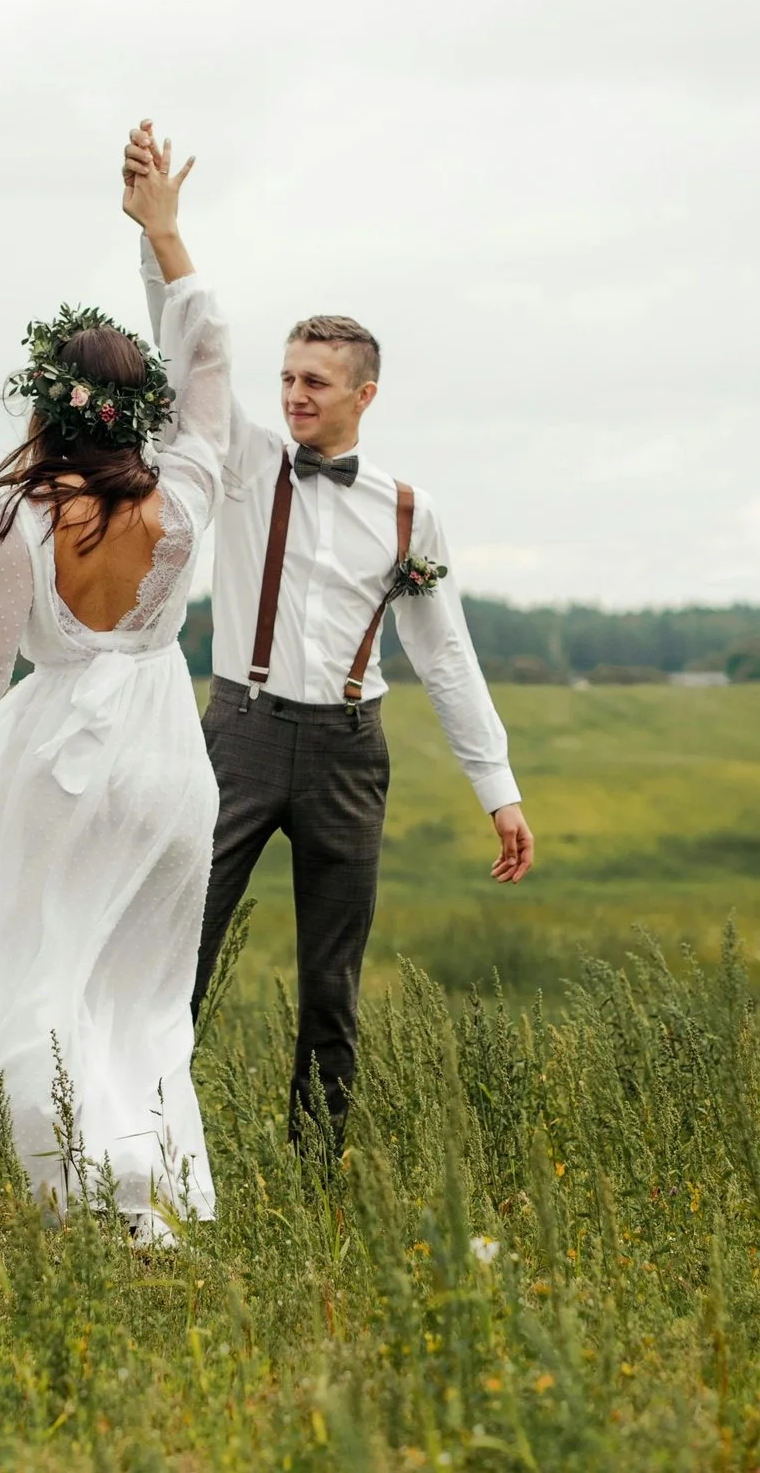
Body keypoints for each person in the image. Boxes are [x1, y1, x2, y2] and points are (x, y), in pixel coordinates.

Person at [122, 120, 535, 1152]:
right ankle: (145, 1154)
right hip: (240, 737)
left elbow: (443, 654)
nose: (294, 396)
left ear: (364, 394)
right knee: (178, 957)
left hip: (352, 754)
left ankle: (319, 1176)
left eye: (316, 382)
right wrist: (158, 234)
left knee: (330, 988)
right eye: (288, 378)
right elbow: (191, 345)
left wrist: (499, 789)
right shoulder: (247, 455)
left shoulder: (408, 512)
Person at [0, 137, 229, 1242]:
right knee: (138, 992)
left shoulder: (18, 517)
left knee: (33, 981)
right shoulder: (186, 489)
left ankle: (88, 1188)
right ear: (141, 411)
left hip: (60, 766)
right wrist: (163, 232)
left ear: (51, 404)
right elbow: (213, 360)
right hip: (166, 762)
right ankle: (144, 1189)